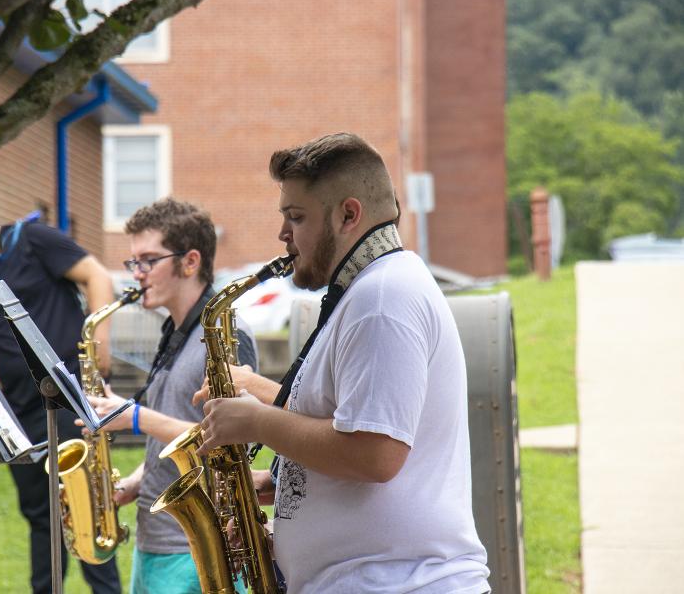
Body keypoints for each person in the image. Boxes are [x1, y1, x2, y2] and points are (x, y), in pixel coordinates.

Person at [195, 133, 491, 593]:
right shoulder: (367, 292)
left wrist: (256, 422)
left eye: (296, 217)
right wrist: (271, 482)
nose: (283, 235)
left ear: (349, 215)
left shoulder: (382, 299)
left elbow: (374, 453)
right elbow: (343, 424)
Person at [0, 191, 122, 594]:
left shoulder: (33, 240)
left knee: (86, 506)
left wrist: (99, 346)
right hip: (19, 407)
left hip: (68, 394)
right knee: (38, 514)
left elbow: (97, 276)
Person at [83, 198, 257, 594]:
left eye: (147, 260)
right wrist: (134, 483)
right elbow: (176, 438)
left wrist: (137, 417)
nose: (137, 274)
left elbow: (234, 444)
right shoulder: (174, 334)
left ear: (190, 261)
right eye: (133, 263)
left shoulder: (227, 336)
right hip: (155, 544)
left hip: (196, 552)